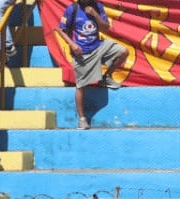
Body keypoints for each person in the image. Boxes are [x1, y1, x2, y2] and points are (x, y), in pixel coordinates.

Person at [53, 0, 126, 130]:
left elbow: (106, 28)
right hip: (82, 53)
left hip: (98, 46)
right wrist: (72, 44)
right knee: (80, 86)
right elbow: (60, 29)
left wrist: (95, 15)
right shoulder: (72, 9)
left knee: (123, 52)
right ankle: (82, 119)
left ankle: (106, 77)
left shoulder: (98, 7)